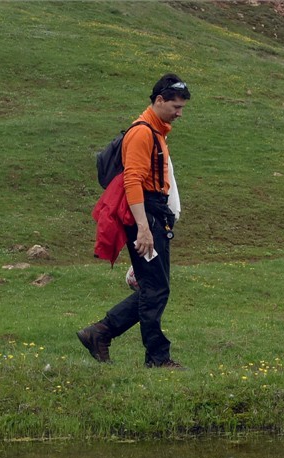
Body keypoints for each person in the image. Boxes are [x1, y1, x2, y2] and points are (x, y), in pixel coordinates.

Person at [79, 74, 190, 369]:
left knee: (156, 287)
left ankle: (100, 332)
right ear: (159, 101)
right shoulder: (142, 133)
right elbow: (133, 182)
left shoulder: (157, 131)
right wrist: (143, 228)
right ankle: (156, 356)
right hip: (146, 215)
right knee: (155, 288)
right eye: (176, 107)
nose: (179, 113)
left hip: (154, 214)